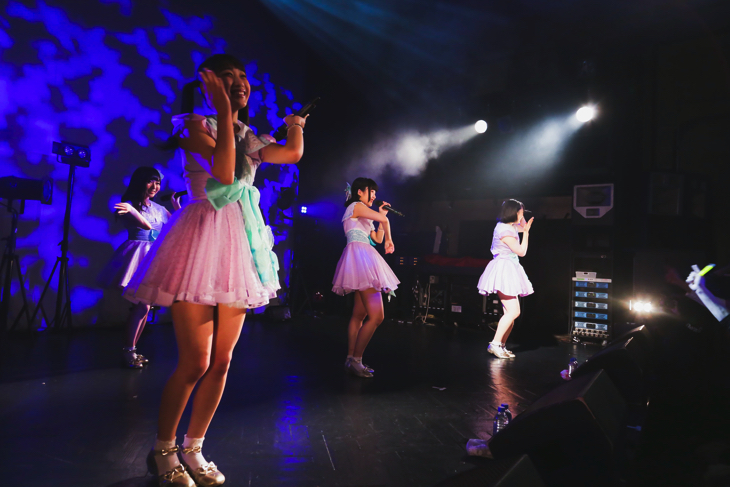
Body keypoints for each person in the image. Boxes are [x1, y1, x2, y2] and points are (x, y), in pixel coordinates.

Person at [124, 54, 307, 487]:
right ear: (209, 85)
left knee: (222, 362)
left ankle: (194, 446)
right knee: (195, 361)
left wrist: (296, 124)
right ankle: (163, 448)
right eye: (228, 78)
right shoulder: (194, 125)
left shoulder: (248, 135)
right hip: (200, 238)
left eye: (242, 76)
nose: (240, 82)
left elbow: (292, 153)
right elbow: (223, 174)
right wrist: (224, 113)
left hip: (239, 242)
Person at [99, 166, 179, 368]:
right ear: (140, 182)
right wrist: (133, 209)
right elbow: (146, 226)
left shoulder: (159, 208)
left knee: (146, 306)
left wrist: (176, 207)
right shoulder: (127, 205)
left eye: (158, 183)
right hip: (138, 255)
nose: (155, 186)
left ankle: (131, 350)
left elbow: (178, 226)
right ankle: (129, 351)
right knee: (143, 305)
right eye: (151, 181)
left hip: (156, 255)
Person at [332, 177, 399, 378]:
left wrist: (381, 217)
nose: (375, 196)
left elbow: (376, 238)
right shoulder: (356, 206)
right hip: (361, 257)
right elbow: (384, 225)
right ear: (360, 192)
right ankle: (356, 360)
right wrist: (389, 240)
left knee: (359, 315)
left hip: (362, 256)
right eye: (372, 192)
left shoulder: (361, 211)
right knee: (377, 316)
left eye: (375, 193)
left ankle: (350, 358)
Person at [477, 199, 534, 359]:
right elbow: (522, 251)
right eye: (520, 212)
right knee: (514, 312)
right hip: (504, 270)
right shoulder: (505, 230)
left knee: (510, 314)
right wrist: (526, 233)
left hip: (509, 268)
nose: (522, 215)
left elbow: (522, 226)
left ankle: (501, 345)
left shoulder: (509, 226)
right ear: (513, 212)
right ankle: (495, 344)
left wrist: (522, 219)